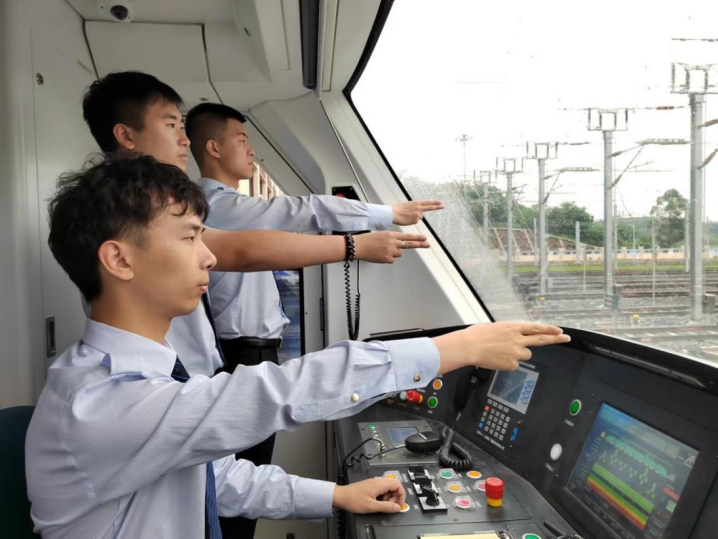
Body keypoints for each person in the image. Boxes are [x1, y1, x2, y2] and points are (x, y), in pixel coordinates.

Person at [25, 155, 570, 538]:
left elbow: (211, 478)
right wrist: (454, 347)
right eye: (190, 237)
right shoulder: (99, 402)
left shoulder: (140, 382)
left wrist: (336, 497)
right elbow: (274, 392)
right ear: (119, 260)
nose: (210, 258)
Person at [183, 101, 445, 535]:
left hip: (250, 351)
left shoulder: (229, 208)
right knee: (236, 489)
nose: (252, 150)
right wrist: (380, 220)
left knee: (241, 480)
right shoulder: (216, 206)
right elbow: (297, 211)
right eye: (242, 139)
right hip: (238, 354)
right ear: (213, 147)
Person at [81, 71, 439, 377]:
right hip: (184, 371)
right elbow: (244, 249)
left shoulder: (151, 203)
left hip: (196, 368)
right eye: (171, 125)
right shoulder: (138, 207)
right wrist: (356, 243)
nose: (183, 139)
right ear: (126, 136)